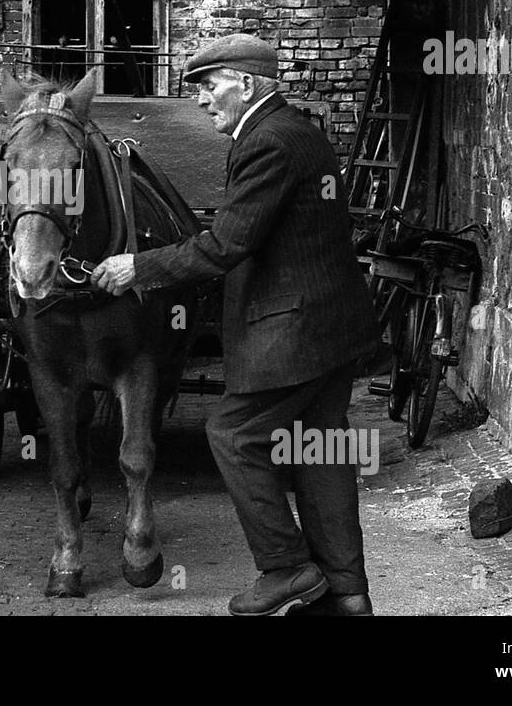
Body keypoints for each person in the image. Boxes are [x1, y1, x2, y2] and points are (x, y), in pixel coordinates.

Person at [91, 34, 381, 616]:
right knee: (320, 454)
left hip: (294, 329)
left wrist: (137, 267)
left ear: (246, 84)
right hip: (329, 328)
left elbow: (227, 244)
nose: (201, 99)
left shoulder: (267, 141)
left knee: (233, 434)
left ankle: (285, 567)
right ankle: (347, 596)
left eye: (209, 85)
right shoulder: (294, 130)